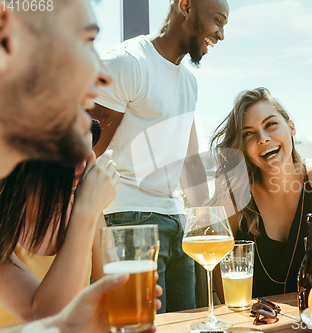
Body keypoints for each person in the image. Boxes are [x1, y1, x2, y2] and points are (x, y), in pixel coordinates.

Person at [0, 1, 160, 331]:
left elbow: (96, 317)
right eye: (86, 41)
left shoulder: (82, 202)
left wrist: (117, 321)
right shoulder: (76, 206)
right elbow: (47, 318)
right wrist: (87, 209)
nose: (102, 75)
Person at [88, 0, 230, 312]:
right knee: (144, 324)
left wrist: (206, 222)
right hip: (128, 222)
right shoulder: (128, 62)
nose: (220, 35)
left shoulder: (189, 83)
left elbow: (190, 162)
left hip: (176, 222)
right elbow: (88, 150)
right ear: (185, 5)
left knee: (186, 324)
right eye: (218, 21)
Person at [210, 87, 312, 298]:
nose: (263, 138)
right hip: (255, 324)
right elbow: (224, 289)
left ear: (291, 127)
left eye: (271, 125)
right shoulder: (234, 190)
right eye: (249, 134)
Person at [0, 121, 118, 326]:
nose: (82, 168)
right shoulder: (85, 210)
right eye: (71, 156)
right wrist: (87, 211)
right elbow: (46, 317)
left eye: (87, 154)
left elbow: (113, 296)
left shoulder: (82, 207)